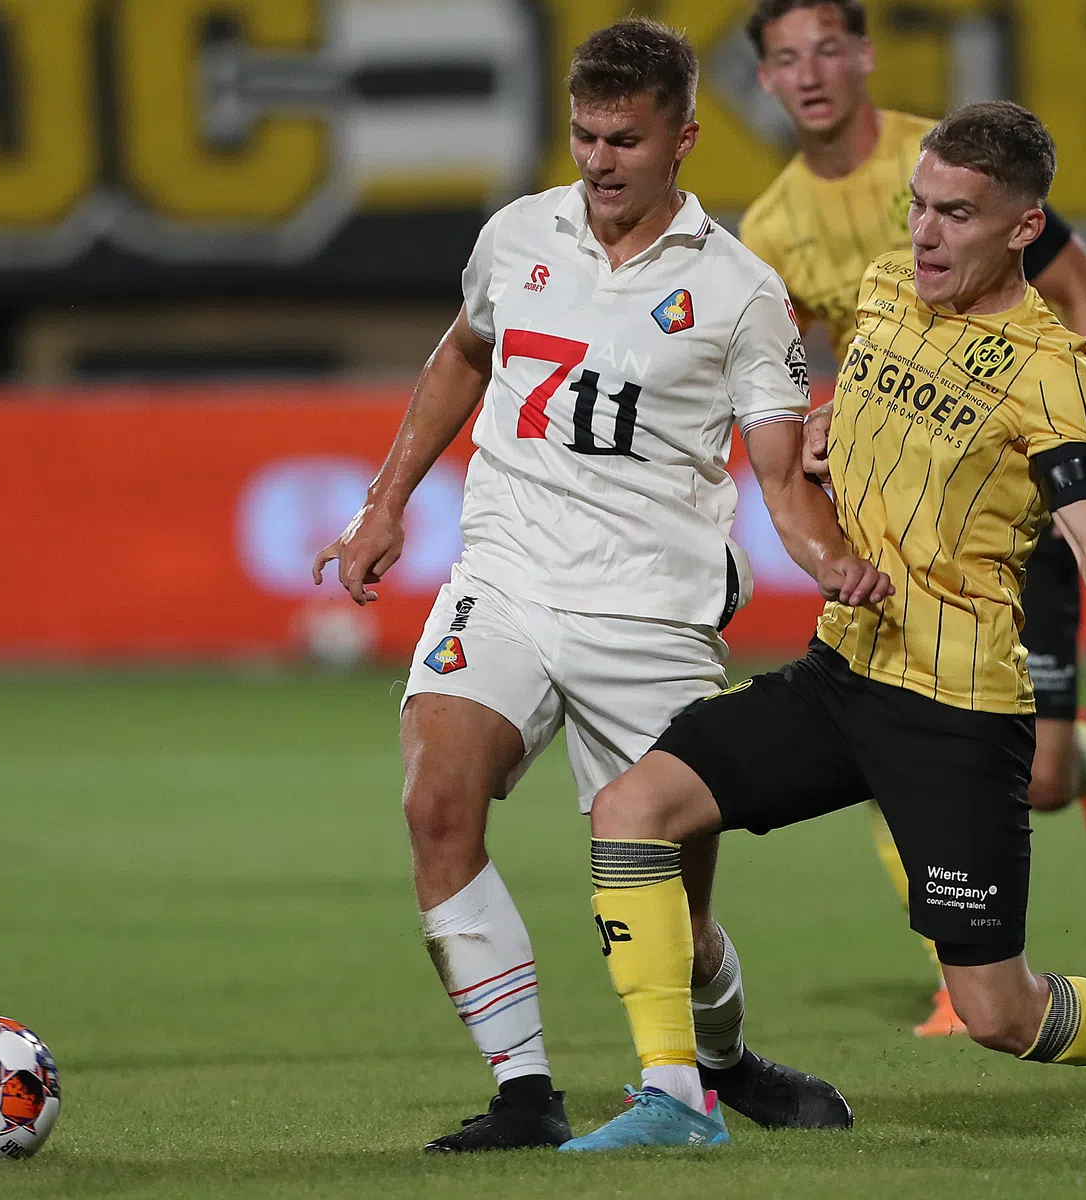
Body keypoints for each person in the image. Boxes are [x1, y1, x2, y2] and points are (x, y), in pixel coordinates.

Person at [559, 101, 1086, 1152]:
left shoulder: (1053, 368)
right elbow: (855, 418)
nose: (924, 233)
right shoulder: (881, 289)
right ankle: (675, 1098)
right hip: (843, 672)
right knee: (632, 809)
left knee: (995, 1013)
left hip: (956, 710)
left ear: (1022, 227)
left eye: (957, 215)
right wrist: (833, 435)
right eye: (918, 205)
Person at [313, 19, 884, 1152]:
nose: (601, 158)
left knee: (677, 907)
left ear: (684, 137)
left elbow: (777, 466)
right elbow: (465, 354)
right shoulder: (518, 235)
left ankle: (720, 1061)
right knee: (436, 802)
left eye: (626, 137)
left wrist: (828, 561)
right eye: (584, 134)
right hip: (509, 576)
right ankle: (525, 1092)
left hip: (655, 612)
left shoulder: (740, 292)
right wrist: (385, 503)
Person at [738, 0, 1086, 1038]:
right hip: (912, 515)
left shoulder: (950, 158)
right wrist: (828, 420)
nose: (812, 72)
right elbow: (821, 359)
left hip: (1012, 489)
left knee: (1043, 778)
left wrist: (1072, 470)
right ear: (768, 82)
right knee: (888, 713)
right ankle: (952, 978)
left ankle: (1085, 759)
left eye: (829, 46)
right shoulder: (772, 228)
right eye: (786, 57)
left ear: (866, 56)